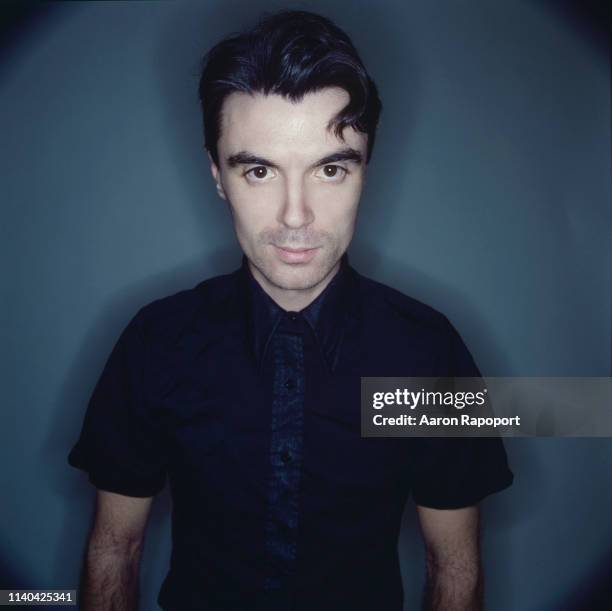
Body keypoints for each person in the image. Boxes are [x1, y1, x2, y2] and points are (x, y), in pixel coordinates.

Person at [68, 9, 513, 611]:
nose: (295, 216)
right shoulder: (156, 343)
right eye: (258, 170)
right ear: (218, 177)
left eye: (330, 169)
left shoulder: (427, 351)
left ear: (365, 171)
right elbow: (115, 549)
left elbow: (453, 565)